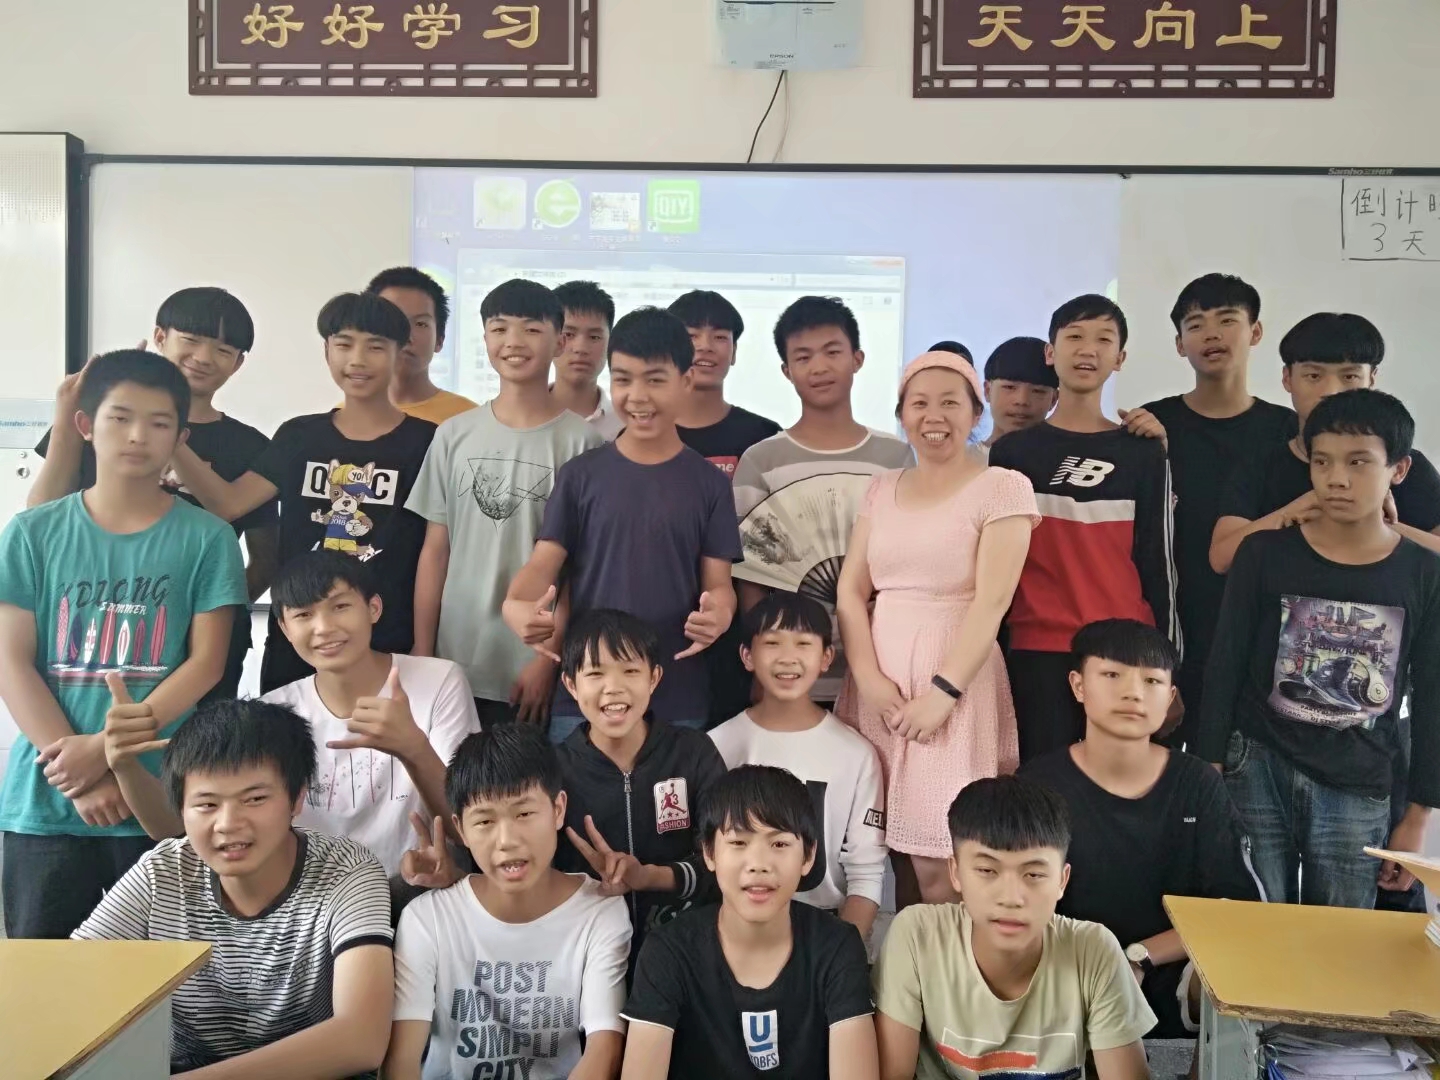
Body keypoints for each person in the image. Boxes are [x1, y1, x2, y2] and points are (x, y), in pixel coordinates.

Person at [0, 349, 246, 938]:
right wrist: (77, 769)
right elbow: (11, 661)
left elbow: (206, 664)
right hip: (47, 800)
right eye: (120, 418)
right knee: (45, 979)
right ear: (86, 425)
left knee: (163, 982)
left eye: (159, 423)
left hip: (158, 800)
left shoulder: (208, 539)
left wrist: (107, 754)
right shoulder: (32, 533)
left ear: (180, 438)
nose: (138, 436)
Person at [1197, 389, 1440, 909]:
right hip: (1255, 764)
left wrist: (1419, 815)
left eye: (1358, 462)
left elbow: (1433, 695)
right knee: (1253, 924)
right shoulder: (1263, 552)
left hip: (1358, 775)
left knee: (1344, 937)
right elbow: (1225, 662)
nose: (1336, 478)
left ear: (1398, 470)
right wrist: (1210, 767)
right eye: (1322, 461)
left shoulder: (1424, 572)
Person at [76, 699, 395, 1078]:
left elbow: (361, 1040)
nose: (228, 823)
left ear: (296, 798)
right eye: (207, 804)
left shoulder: (347, 872)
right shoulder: (161, 873)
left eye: (254, 799)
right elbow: (67, 978)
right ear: (181, 809)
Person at [835, 350, 1038, 906]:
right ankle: (903, 959)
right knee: (883, 851)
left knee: (940, 859)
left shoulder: (1003, 486)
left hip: (955, 689)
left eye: (950, 402)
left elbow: (993, 602)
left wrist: (943, 694)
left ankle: (950, 962)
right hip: (879, 685)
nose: (934, 416)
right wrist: (869, 681)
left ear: (976, 412)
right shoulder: (882, 487)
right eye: (919, 403)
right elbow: (851, 592)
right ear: (902, 414)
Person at [167, 292, 436, 693]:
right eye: (344, 345)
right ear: (326, 351)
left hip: (389, 634)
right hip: (299, 637)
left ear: (400, 354)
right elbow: (229, 505)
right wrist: (169, 434)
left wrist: (425, 644)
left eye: (376, 347)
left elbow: (438, 551)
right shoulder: (299, 436)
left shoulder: (428, 442)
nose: (357, 360)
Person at [503, 306, 741, 743]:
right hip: (585, 696)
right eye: (623, 379)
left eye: (655, 380)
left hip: (677, 695)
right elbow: (540, 569)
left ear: (687, 380)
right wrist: (518, 609)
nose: (637, 396)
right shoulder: (580, 475)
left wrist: (719, 615)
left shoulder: (709, 483)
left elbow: (719, 585)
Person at [1019, 619, 1263, 1039]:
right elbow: (1020, 904)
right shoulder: (1037, 784)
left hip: (1173, 968)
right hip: (1069, 967)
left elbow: (1234, 907)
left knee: (1239, 964)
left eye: (1151, 680)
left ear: (1170, 697)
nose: (1133, 692)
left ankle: (1202, 1068)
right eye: (1112, 674)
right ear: (1078, 685)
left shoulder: (1197, 782)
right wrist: (1101, 966)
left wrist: (1138, 956)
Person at [29, 287, 276, 700]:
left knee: (202, 738)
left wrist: (208, 611)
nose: (203, 357)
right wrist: (66, 407)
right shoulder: (106, 421)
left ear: (238, 363)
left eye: (222, 349)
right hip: (95, 623)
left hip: (205, 642)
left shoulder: (249, 445)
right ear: (160, 337)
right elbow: (42, 511)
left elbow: (266, 559)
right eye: (191, 340)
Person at [989, 294, 1180, 763]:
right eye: (1074, 336)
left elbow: (1160, 565)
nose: (1087, 349)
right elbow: (998, 566)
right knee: (1041, 786)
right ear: (1050, 352)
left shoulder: (1142, 451)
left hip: (1124, 651)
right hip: (1035, 648)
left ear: (1120, 358)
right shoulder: (1013, 453)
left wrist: (1170, 668)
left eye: (1103, 339)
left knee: (1117, 788)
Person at [384, 724, 631, 1080]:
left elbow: (604, 1050)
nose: (507, 840)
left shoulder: (599, 911)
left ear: (558, 809)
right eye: (484, 820)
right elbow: (401, 1060)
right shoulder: (428, 918)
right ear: (461, 828)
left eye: (524, 814)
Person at [1111, 275, 1295, 749]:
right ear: (1179, 344)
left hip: (1262, 634)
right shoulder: (1151, 425)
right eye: (1195, 325)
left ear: (1255, 332)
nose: (1211, 334)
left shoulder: (1290, 432)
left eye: (1227, 320)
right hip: (1172, 627)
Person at [410, 278, 602, 728]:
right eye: (499, 329)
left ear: (559, 342)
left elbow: (578, 569)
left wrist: (548, 659)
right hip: (456, 657)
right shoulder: (453, 434)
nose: (513, 342)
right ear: (485, 340)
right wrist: (423, 648)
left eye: (531, 329)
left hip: (530, 665)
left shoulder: (583, 443)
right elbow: (436, 550)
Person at [873, 776, 1155, 1080]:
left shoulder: (1093, 950)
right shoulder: (918, 937)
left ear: (1062, 880)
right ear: (955, 872)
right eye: (987, 870)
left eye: (1033, 874)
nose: (1011, 898)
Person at [620, 765, 879, 1080]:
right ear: (709, 853)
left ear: (808, 856)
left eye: (779, 844)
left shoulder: (837, 946)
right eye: (738, 843)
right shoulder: (668, 951)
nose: (758, 864)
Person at [732, 296, 912, 708]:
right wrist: (762, 668)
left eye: (832, 352)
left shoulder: (894, 456)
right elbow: (750, 576)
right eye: (803, 357)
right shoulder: (761, 460)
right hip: (792, 672)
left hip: (882, 668)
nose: (819, 367)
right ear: (786, 370)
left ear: (858, 358)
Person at [263, 550, 478, 878]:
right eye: (304, 615)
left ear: (373, 608)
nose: (324, 628)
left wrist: (413, 747)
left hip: (414, 884)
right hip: (316, 894)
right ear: (285, 628)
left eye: (340, 607)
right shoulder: (273, 714)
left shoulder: (439, 681)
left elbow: (469, 830)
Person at [553, 608, 726, 968]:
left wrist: (647, 877)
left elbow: (724, 860)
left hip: (687, 957)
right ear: (571, 684)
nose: (614, 687)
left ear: (654, 677)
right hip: (585, 960)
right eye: (595, 673)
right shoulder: (553, 771)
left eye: (630, 671)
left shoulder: (693, 753)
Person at [709, 593, 887, 943]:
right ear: (747, 656)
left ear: (826, 657)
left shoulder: (856, 754)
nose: (788, 657)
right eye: (772, 643)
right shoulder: (717, 745)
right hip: (734, 930)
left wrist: (840, 954)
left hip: (826, 929)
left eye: (803, 644)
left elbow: (866, 873)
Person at [1210, 312, 1440, 573]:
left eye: (1349, 377)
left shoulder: (1399, 463)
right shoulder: (1261, 463)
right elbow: (1221, 560)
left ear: (1371, 379)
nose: (1331, 391)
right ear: (1287, 378)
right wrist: (1298, 509)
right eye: (1313, 376)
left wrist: (1374, 522)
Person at [668, 289, 782, 726]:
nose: (705, 346)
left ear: (734, 352)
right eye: (691, 335)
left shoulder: (763, 437)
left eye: (720, 337)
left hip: (742, 627)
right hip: (664, 621)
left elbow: (777, 547)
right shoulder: (645, 434)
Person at [365, 266, 477, 424]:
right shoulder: (343, 419)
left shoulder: (470, 419)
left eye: (420, 324)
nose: (406, 336)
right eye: (390, 320)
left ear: (440, 340)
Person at [553, 280, 625, 440]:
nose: (580, 348)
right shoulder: (519, 416)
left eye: (594, 337)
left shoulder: (625, 426)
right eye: (568, 334)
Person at [977, 336, 1059, 461]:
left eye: (1037, 391)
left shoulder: (1062, 464)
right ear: (988, 391)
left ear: (1053, 399)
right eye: (1009, 387)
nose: (1022, 401)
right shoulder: (961, 462)